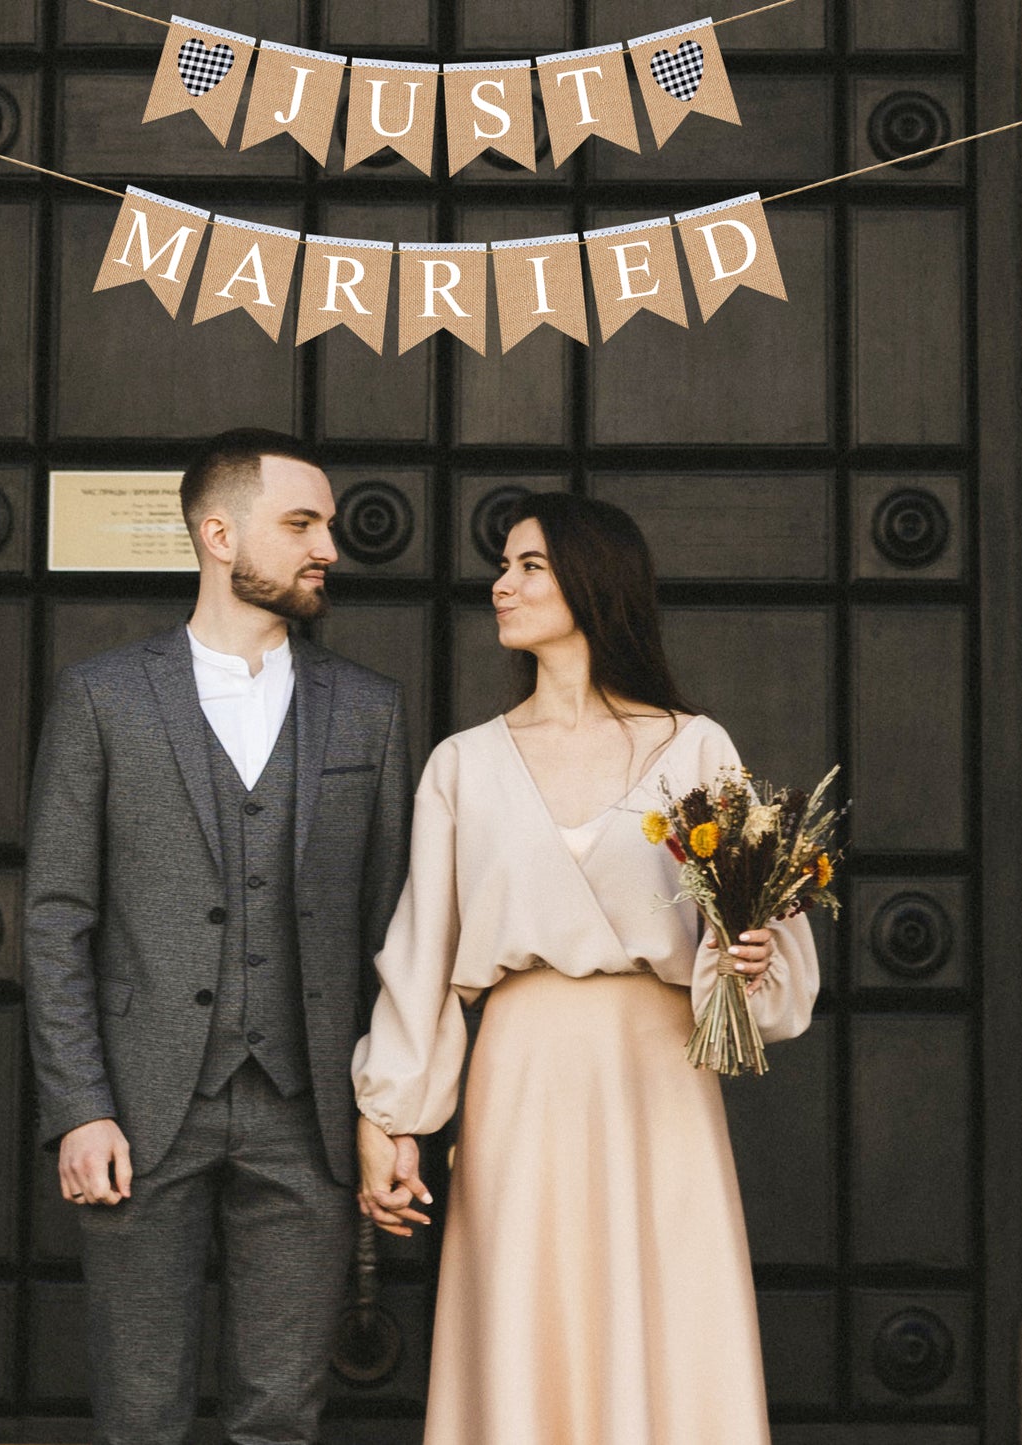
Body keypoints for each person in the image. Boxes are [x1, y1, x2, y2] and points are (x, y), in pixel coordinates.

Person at [351, 492, 820, 1445]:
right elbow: (423, 955)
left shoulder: (695, 745)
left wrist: (750, 958)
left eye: (529, 565)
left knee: (662, 1306)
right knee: (526, 1304)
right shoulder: (463, 764)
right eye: (504, 565)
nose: (502, 583)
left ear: (593, 581)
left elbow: (756, 937)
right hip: (518, 1075)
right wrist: (391, 1116)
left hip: (657, 1074)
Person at [24, 428, 412, 1445]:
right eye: (301, 523)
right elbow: (57, 916)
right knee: (139, 1412)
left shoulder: (368, 712)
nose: (329, 545)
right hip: (138, 1112)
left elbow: (392, 929)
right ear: (216, 532)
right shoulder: (103, 698)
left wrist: (387, 1106)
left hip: (309, 1113)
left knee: (280, 1412)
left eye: (325, 523)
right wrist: (78, 1105)